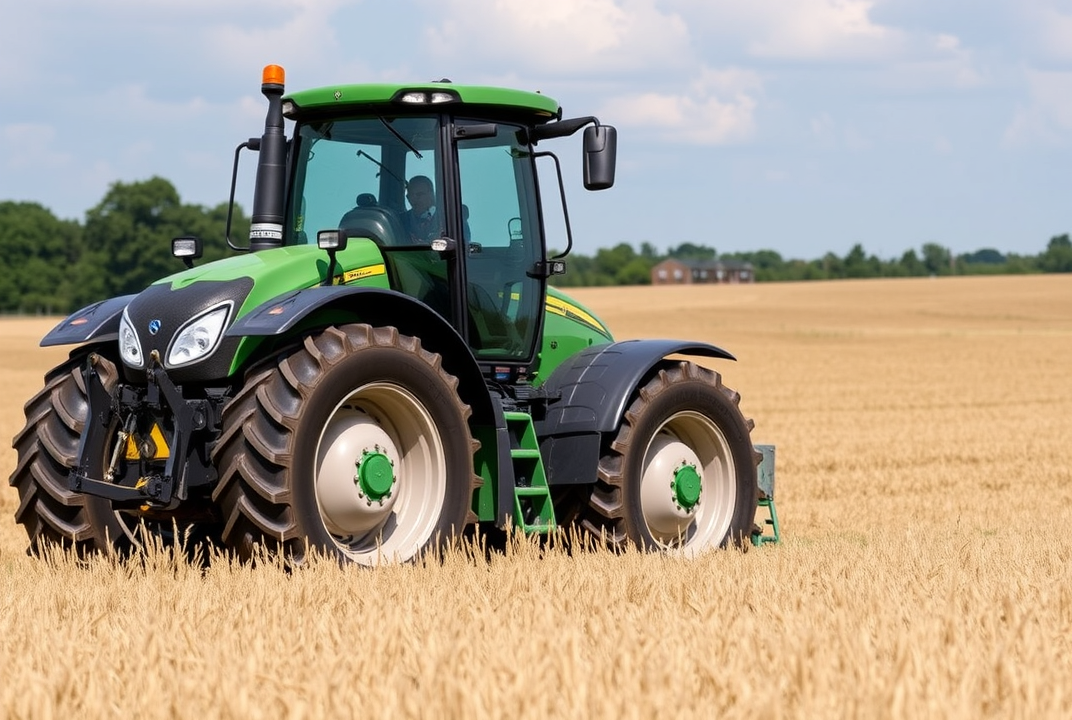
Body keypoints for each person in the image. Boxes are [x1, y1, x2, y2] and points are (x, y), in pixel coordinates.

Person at [400, 175, 441, 243]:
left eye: (419, 194)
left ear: (431, 194)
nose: (414, 199)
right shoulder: (401, 221)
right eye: (410, 196)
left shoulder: (449, 220)